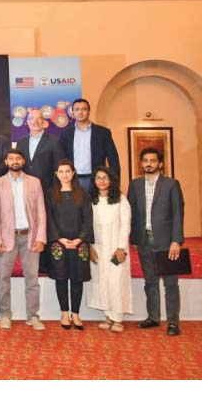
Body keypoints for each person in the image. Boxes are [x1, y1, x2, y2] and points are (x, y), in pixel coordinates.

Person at [128, 147, 184, 336]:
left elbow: (178, 214)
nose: (149, 164)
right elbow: (132, 214)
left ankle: (173, 322)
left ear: (160, 164)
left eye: (153, 160)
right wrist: (133, 238)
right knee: (150, 281)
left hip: (167, 243)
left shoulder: (171, 184)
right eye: (145, 160)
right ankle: (153, 317)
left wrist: (176, 240)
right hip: (144, 241)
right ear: (141, 163)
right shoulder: (134, 185)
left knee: (170, 284)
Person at [0, 148, 47, 330]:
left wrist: (40, 237)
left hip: (29, 236)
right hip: (7, 238)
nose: (14, 161)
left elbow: (41, 212)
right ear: (6, 162)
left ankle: (33, 316)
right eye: (11, 158)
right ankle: (5, 314)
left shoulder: (35, 182)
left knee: (32, 279)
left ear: (23, 161)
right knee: (3, 278)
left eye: (18, 158)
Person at [46, 159, 94, 330]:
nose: (65, 175)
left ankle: (76, 313)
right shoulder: (51, 194)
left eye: (68, 171)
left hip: (79, 243)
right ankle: (64, 313)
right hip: (59, 243)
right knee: (61, 277)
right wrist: (60, 239)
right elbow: (49, 219)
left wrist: (80, 239)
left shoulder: (83, 193)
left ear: (73, 174)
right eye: (61, 171)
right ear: (56, 174)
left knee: (77, 278)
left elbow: (88, 219)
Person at [87, 167, 132, 333]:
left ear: (112, 180)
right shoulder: (91, 200)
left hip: (116, 248)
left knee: (116, 281)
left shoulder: (121, 200)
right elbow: (87, 225)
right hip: (98, 248)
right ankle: (108, 316)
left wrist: (121, 248)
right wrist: (90, 246)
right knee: (102, 280)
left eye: (105, 177)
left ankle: (118, 318)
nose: (102, 181)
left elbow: (126, 226)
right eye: (98, 178)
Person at [59, 98, 121, 190]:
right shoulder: (65, 134)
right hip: (72, 179)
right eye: (77, 109)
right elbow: (61, 159)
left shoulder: (103, 132)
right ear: (73, 112)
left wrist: (115, 183)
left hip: (96, 178)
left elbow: (113, 159)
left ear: (88, 111)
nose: (80, 112)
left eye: (84, 109)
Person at [16, 109, 65, 195]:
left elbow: (58, 166)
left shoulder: (54, 141)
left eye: (39, 118)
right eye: (32, 118)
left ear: (44, 122)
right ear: (27, 122)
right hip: (24, 188)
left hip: (47, 189)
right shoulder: (21, 142)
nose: (35, 121)